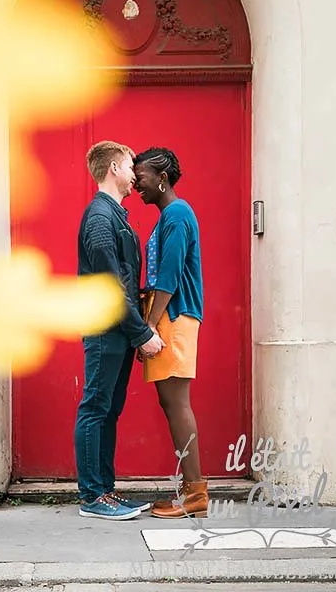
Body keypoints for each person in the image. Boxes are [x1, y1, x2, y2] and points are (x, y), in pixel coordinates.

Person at [75, 140, 165, 520]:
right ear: (113, 168)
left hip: (117, 331)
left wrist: (134, 332)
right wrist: (142, 333)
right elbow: (112, 287)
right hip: (105, 331)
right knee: (96, 407)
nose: (134, 176)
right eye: (130, 167)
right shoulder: (100, 217)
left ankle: (105, 490)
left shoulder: (115, 216)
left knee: (108, 409)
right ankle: (92, 496)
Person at [133, 146, 207, 519]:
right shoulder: (170, 215)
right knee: (171, 403)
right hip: (168, 316)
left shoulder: (177, 214)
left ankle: (195, 494)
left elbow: (170, 274)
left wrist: (149, 325)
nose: (136, 185)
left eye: (141, 178)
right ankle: (191, 492)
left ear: (161, 178)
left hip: (173, 317)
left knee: (177, 403)